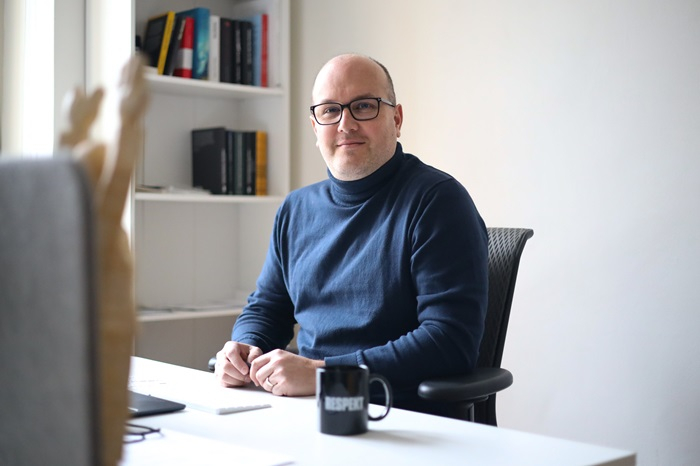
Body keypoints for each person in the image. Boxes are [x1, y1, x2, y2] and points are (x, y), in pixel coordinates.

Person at [215, 53, 488, 415]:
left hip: (397, 417)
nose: (346, 124)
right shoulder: (295, 209)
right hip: (302, 410)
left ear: (397, 119)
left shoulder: (437, 201)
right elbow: (267, 307)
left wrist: (324, 375)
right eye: (330, 110)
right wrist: (244, 346)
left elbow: (450, 343)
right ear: (315, 127)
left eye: (363, 106)